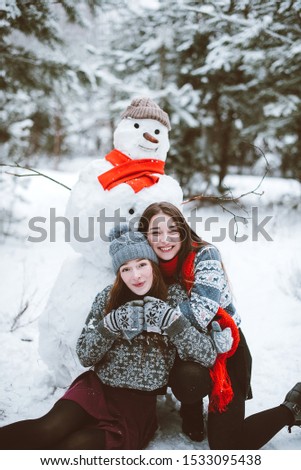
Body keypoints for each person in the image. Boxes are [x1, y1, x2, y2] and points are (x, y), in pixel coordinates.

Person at [0, 225, 218, 450]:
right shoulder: (108, 298)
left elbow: (207, 354)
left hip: (136, 407)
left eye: (142, 264)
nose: (136, 276)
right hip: (97, 389)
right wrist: (110, 325)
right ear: (118, 273)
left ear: (153, 264)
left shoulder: (174, 298)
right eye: (126, 269)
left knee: (73, 447)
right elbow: (85, 355)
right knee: (46, 430)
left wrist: (172, 322)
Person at [138, 201, 301, 449]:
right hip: (185, 351)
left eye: (172, 229)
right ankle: (191, 409)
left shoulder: (205, 255)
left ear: (183, 230)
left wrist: (152, 316)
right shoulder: (145, 266)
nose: (165, 239)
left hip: (225, 346)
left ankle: (292, 408)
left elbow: (201, 312)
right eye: (156, 233)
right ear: (145, 237)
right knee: (188, 379)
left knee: (228, 446)